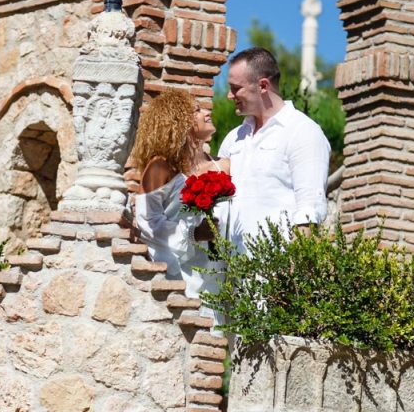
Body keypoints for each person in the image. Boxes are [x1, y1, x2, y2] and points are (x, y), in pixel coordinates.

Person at [218, 47, 331, 251]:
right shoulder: (233, 138)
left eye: (236, 88)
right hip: (228, 271)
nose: (229, 95)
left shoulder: (303, 131)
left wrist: (292, 274)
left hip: (274, 271)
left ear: (263, 85)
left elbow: (309, 209)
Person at [131, 89, 226, 301]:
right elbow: (147, 222)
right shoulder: (160, 167)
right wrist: (193, 233)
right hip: (179, 270)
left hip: (214, 269)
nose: (207, 113)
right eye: (197, 111)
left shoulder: (223, 164)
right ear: (177, 122)